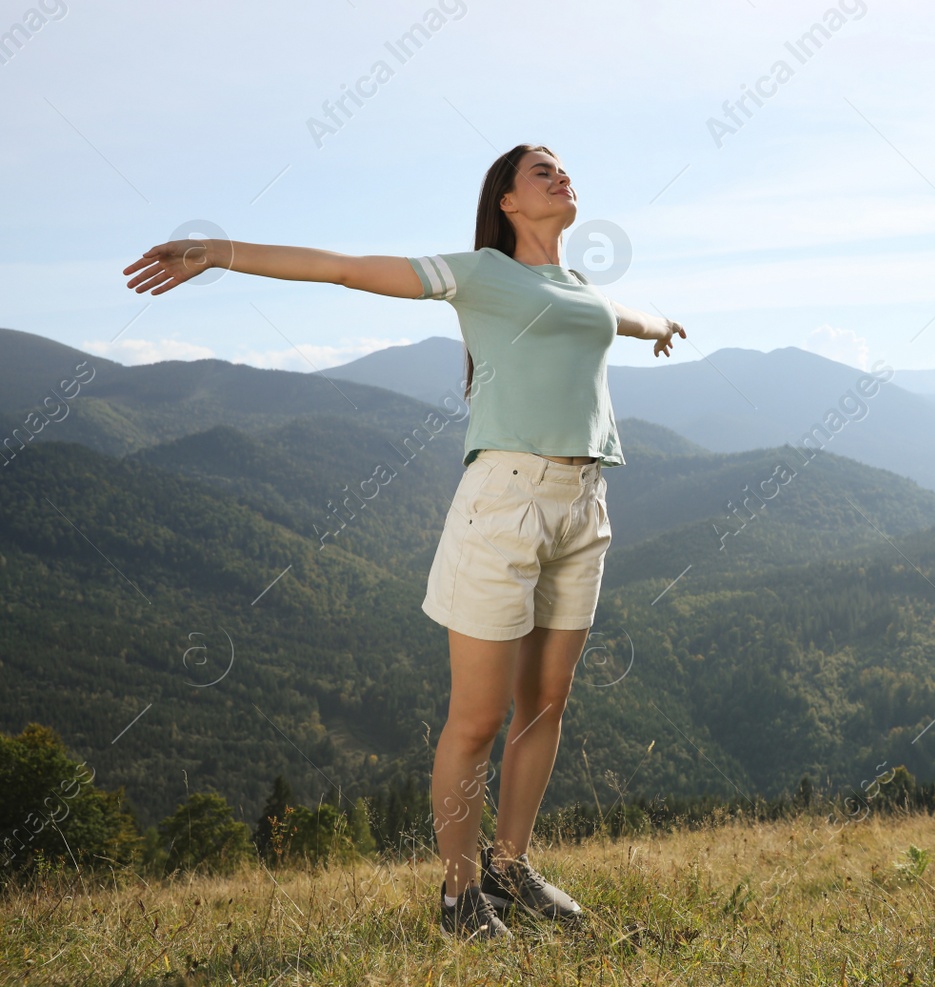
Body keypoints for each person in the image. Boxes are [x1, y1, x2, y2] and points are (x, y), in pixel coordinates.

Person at [124, 144, 685, 941]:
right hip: (506, 505)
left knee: (547, 703)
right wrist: (219, 253)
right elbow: (347, 268)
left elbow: (629, 318)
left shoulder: (580, 288)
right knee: (479, 718)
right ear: (508, 204)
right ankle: (460, 897)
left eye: (564, 167)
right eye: (540, 171)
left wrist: (665, 325)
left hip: (584, 505)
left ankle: (510, 870)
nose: (560, 176)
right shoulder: (482, 275)